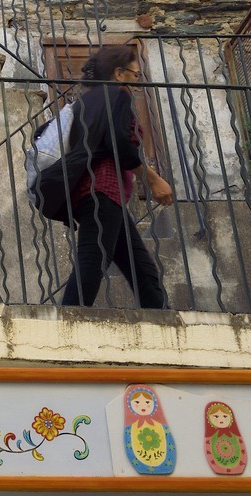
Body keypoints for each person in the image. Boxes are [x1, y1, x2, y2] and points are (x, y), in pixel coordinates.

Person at [58, 45, 174, 308]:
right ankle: (69, 320)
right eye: (135, 75)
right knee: (91, 261)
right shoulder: (116, 96)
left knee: (141, 268)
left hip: (95, 192)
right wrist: (153, 179)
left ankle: (162, 318)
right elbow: (119, 144)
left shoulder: (87, 101)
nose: (137, 82)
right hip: (104, 190)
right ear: (119, 73)